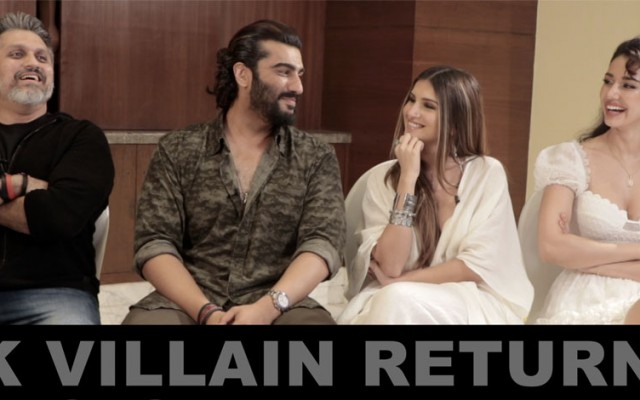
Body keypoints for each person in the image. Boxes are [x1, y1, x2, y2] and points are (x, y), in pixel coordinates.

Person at [122, 19, 345, 325]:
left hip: (281, 301)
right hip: (187, 299)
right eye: (284, 72)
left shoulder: (316, 157)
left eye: (299, 74)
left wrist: (267, 309)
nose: (298, 86)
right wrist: (206, 312)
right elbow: (154, 243)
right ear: (243, 74)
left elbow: (322, 244)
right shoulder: (178, 149)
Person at [337, 66, 533, 324]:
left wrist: (403, 282)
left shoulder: (487, 173)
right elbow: (391, 266)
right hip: (394, 297)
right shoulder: (384, 179)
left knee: (395, 299)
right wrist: (407, 180)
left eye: (428, 106)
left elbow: (475, 265)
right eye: (411, 100)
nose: (411, 112)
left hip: (469, 299)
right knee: (393, 301)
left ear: (455, 123)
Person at [0, 12, 115, 324]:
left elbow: (61, 217)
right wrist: (28, 186)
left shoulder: (81, 137)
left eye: (42, 57)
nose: (33, 63)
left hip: (55, 291)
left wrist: (12, 188)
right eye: (17, 54)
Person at [530, 37, 640, 324]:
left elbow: (566, 249)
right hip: (582, 300)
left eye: (628, 85)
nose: (611, 93)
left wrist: (585, 256)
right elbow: (550, 246)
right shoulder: (569, 159)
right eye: (608, 81)